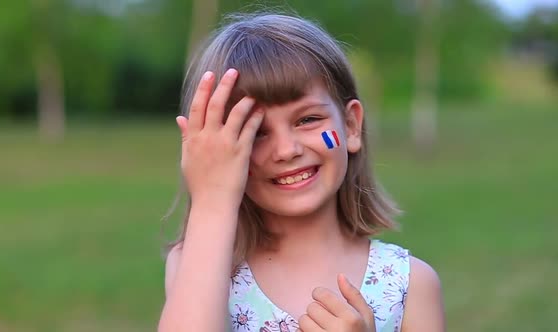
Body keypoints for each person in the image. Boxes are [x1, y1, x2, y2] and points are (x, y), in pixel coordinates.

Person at [158, 12, 445, 332]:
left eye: (307, 120)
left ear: (350, 125)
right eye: (255, 133)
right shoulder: (199, 264)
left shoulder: (409, 285)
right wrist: (212, 201)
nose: (287, 150)